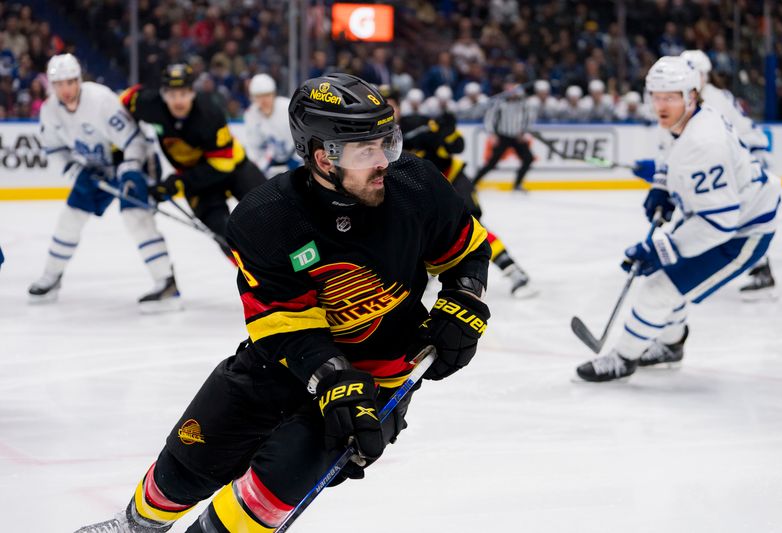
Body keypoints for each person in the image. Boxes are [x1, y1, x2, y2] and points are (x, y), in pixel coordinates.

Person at [74, 73, 492, 533]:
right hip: (285, 360)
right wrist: (332, 378)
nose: (383, 163)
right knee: (195, 452)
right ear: (323, 157)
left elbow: (467, 249)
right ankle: (136, 526)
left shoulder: (416, 186)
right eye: (365, 150)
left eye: (385, 143)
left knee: (283, 476)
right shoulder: (266, 218)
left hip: (381, 374)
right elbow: (288, 327)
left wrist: (464, 298)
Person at [576, 57, 780, 382]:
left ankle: (623, 358)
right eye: (656, 96)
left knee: (659, 287)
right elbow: (670, 154)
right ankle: (671, 346)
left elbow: (719, 224)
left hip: (743, 230)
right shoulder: (690, 119)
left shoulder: (703, 143)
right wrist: (662, 185)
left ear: (691, 96)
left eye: (670, 97)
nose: (661, 105)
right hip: (724, 214)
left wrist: (662, 249)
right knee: (666, 280)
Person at [28, 53, 181, 313]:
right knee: (70, 218)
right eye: (59, 84)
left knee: (136, 218)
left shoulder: (101, 100)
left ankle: (165, 281)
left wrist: (130, 170)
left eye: (70, 82)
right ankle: (51, 277)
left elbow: (134, 140)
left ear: (79, 80)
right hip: (93, 170)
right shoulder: (49, 111)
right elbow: (53, 150)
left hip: (129, 161)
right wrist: (75, 173)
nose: (65, 90)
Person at [382, 85, 537, 298]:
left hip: (453, 182)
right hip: (423, 190)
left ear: (399, 106)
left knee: (471, 226)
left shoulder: (419, 123)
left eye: (392, 104)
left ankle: (513, 271)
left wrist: (448, 131)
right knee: (423, 231)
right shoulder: (378, 136)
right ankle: (424, 275)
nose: (389, 110)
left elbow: (456, 146)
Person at [120, 63, 265, 257]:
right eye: (172, 95)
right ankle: (256, 283)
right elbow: (124, 100)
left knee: (271, 214)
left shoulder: (210, 113)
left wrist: (180, 182)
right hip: (200, 185)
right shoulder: (150, 104)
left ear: (192, 92)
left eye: (183, 94)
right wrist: (117, 148)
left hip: (234, 168)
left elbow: (223, 165)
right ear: (163, 94)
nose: (178, 101)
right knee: (226, 238)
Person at [680, 49, 776, 297]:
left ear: (703, 75)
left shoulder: (712, 98)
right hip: (738, 159)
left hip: (747, 159)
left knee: (735, 217)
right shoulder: (699, 97)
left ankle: (761, 271)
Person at [472, 83, 535, 191]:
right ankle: (473, 183)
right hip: (503, 136)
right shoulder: (499, 103)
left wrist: (524, 132)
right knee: (492, 163)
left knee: (528, 158)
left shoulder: (523, 104)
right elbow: (489, 119)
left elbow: (528, 119)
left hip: (517, 137)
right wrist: (493, 135)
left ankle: (517, 184)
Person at [242, 73, 301, 178]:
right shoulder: (251, 115)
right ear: (253, 98)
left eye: (267, 95)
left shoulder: (288, 108)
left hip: (296, 157)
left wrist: (295, 161)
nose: (264, 101)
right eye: (259, 97)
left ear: (274, 94)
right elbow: (254, 147)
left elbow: (304, 137)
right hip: (272, 159)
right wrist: (261, 166)